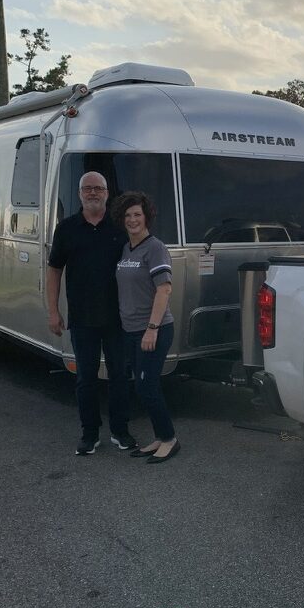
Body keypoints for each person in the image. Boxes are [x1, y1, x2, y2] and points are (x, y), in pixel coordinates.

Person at [47, 171, 137, 455]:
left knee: (120, 375)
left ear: (107, 193)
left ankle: (120, 431)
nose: (93, 193)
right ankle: (90, 433)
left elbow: (140, 265)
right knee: (85, 377)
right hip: (82, 317)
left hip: (118, 317)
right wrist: (53, 311)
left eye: (98, 188)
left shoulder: (120, 228)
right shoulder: (67, 228)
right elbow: (54, 271)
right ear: (79, 193)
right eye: (88, 188)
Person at [111, 191, 180, 464]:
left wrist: (152, 328)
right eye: (127, 215)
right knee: (142, 386)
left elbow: (164, 289)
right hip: (131, 330)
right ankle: (159, 437)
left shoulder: (155, 247)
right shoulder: (127, 248)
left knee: (147, 386)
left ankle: (170, 439)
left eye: (137, 214)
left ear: (146, 216)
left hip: (154, 330)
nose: (132, 220)